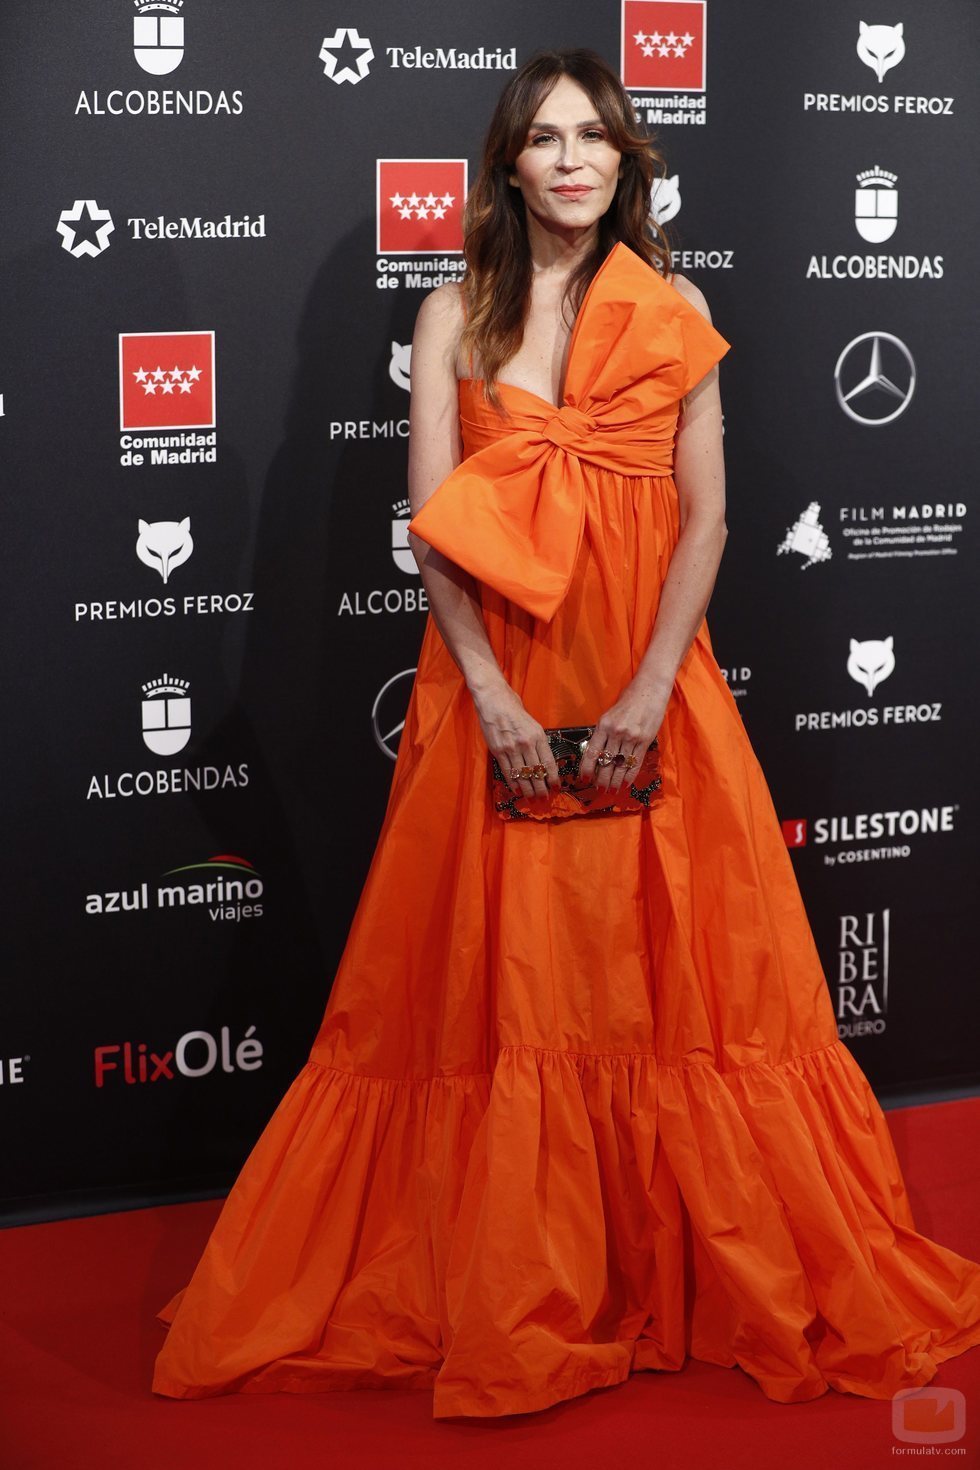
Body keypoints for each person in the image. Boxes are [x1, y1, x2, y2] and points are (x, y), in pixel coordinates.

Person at [152, 48, 980, 1420]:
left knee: (660, 984)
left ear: (626, 158)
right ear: (512, 164)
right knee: (512, 985)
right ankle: (521, 1277)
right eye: (546, 138)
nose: (574, 158)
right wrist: (489, 697)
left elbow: (707, 520)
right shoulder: (455, 313)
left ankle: (660, 1262)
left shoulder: (674, 307)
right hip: (495, 680)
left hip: (652, 678)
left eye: (595, 134)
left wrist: (651, 689)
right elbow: (434, 528)